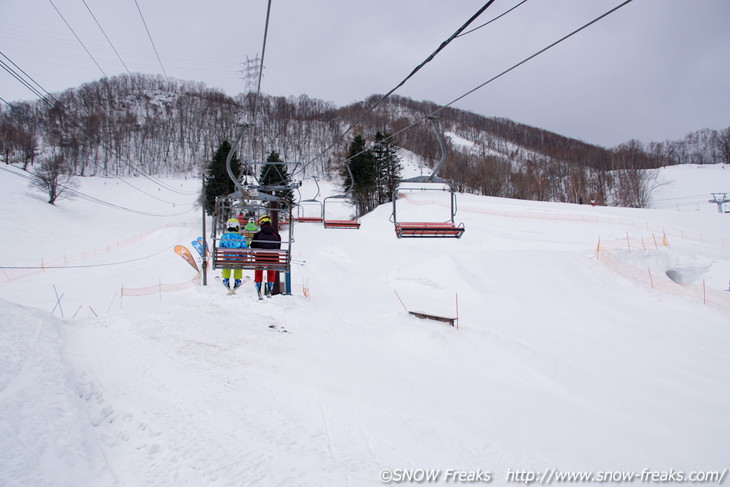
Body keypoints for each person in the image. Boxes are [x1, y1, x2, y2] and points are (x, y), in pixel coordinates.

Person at [250, 214, 281, 298]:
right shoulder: (276, 235)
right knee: (271, 265)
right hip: (272, 260)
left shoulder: (257, 235)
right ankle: (270, 287)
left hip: (260, 260)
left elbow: (252, 246)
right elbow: (278, 248)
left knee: (259, 266)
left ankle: (258, 287)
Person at [219, 218, 248, 291]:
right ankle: (237, 280)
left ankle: (226, 279)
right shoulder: (240, 238)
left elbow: (220, 246)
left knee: (226, 264)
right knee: (238, 265)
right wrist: (244, 258)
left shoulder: (224, 237)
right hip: (237, 259)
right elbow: (244, 248)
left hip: (227, 259)